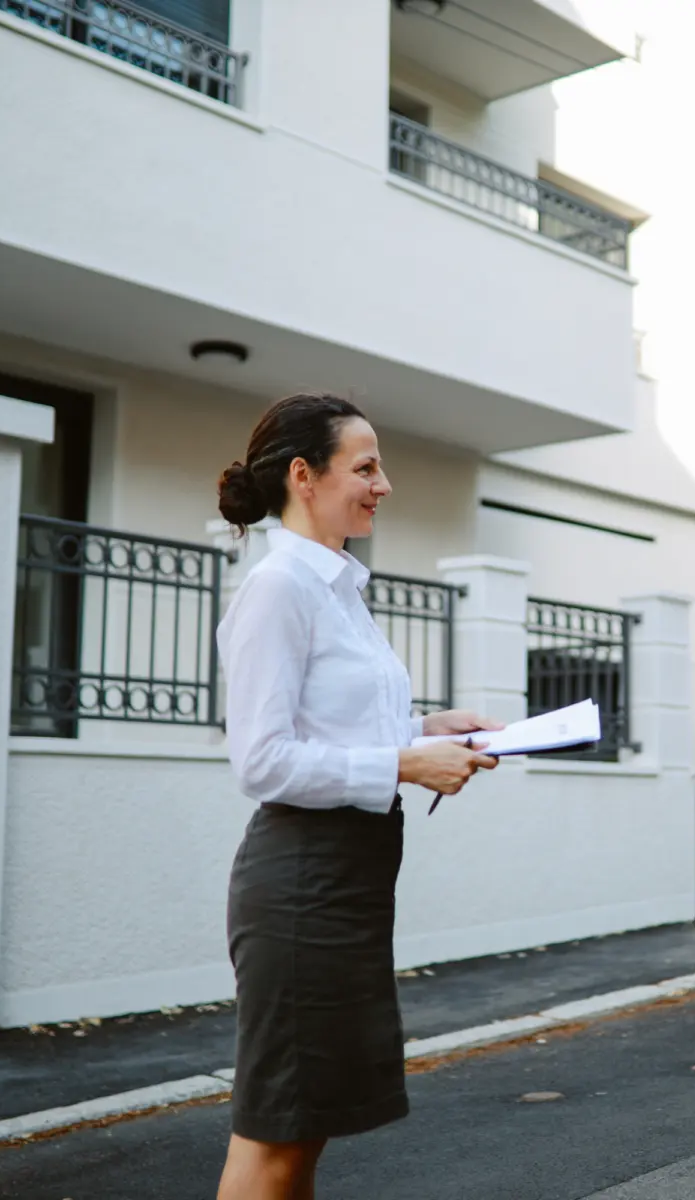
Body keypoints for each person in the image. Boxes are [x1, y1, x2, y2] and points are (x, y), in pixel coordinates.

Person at [213, 393, 502, 1200]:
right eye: (366, 467)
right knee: (274, 1135)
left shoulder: (338, 588)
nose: (384, 484)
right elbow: (263, 761)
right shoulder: (279, 590)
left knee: (307, 1131)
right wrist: (406, 765)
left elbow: (335, 725)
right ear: (304, 477)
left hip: (348, 879)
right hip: (304, 879)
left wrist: (428, 726)